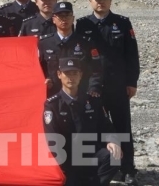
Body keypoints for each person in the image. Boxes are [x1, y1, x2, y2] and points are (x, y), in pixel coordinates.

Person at [75, 0, 140, 185]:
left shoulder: (122, 23)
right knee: (93, 126)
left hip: (117, 85)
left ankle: (127, 169)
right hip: (92, 86)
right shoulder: (83, 24)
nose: (100, 2)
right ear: (90, 1)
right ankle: (97, 167)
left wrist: (131, 82)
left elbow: (132, 54)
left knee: (122, 126)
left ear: (110, 0)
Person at [43, 57, 122, 186]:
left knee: (114, 156)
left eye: (74, 73)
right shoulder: (52, 105)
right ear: (59, 75)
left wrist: (112, 141)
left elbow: (107, 126)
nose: (71, 78)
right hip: (67, 159)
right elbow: (53, 141)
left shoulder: (92, 101)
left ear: (80, 75)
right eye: (67, 73)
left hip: (90, 154)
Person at [38, 2, 102, 98]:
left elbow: (96, 69)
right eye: (60, 16)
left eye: (67, 15)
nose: (64, 19)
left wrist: (93, 87)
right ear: (54, 19)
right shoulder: (44, 43)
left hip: (81, 95)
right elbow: (38, 68)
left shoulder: (86, 43)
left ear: (73, 18)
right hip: (53, 95)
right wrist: (45, 79)